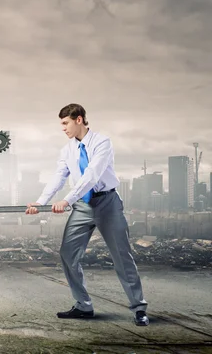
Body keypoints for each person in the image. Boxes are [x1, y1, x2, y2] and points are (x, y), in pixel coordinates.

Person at [25, 103, 149, 326]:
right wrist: (41, 202)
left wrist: (67, 200)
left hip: (107, 203)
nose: (63, 128)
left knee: (122, 256)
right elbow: (58, 177)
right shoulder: (67, 150)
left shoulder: (102, 142)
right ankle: (83, 305)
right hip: (83, 206)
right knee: (68, 253)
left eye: (66, 123)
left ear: (78, 119)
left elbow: (91, 175)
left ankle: (139, 308)